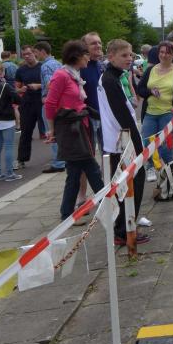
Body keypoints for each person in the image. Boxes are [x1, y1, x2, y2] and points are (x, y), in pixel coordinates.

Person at [44, 40, 105, 222]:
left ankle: (67, 214)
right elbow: (50, 104)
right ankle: (109, 205)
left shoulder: (74, 75)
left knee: (75, 172)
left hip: (79, 127)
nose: (88, 57)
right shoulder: (61, 75)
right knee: (91, 168)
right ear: (77, 56)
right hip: (70, 130)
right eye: (86, 54)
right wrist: (52, 130)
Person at [98, 39, 150, 245]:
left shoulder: (114, 77)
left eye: (130, 55)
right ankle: (124, 230)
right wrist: (137, 145)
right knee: (130, 184)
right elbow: (121, 115)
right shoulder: (109, 80)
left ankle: (126, 227)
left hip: (120, 140)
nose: (129, 59)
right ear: (111, 57)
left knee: (127, 185)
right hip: (121, 142)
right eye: (124, 55)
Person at [136, 40, 173, 184]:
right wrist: (150, 91)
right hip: (150, 112)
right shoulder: (150, 70)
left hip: (167, 112)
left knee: (166, 144)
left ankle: (171, 167)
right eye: (161, 52)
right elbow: (140, 89)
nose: (164, 55)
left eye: (167, 52)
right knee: (147, 141)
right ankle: (150, 167)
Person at [78, 32, 106, 205]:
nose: (98, 46)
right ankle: (81, 196)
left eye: (99, 42)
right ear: (85, 47)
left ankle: (106, 189)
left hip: (104, 118)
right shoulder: (80, 68)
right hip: (87, 118)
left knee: (107, 155)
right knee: (86, 157)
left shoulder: (102, 66)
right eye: (93, 43)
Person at [34, 42, 65, 173]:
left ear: (42, 51)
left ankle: (58, 163)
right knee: (61, 133)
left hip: (50, 103)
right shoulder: (58, 64)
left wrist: (48, 98)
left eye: (36, 52)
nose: (35, 55)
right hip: (61, 103)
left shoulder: (45, 66)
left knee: (51, 133)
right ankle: (64, 160)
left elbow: (50, 84)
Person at [14, 46, 43, 170]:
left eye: (29, 53)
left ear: (34, 53)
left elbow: (51, 83)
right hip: (27, 104)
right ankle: (21, 160)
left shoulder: (42, 67)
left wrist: (38, 86)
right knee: (25, 132)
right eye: (24, 54)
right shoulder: (20, 70)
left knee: (52, 131)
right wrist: (21, 89)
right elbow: (16, 88)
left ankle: (60, 159)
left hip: (42, 102)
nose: (26, 56)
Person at [0, 61, 21, 181]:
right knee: (9, 146)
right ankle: (9, 173)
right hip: (7, 118)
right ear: (2, 72)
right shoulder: (5, 85)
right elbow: (17, 99)